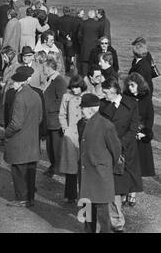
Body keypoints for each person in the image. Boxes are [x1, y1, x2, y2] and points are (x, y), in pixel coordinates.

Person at [100, 78, 143, 233]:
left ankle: (116, 221)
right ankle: (117, 222)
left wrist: (119, 145)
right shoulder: (103, 104)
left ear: (114, 91)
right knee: (113, 189)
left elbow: (133, 129)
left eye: (105, 92)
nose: (103, 95)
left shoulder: (131, 104)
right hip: (108, 152)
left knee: (119, 187)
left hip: (125, 152)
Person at [77, 93, 122, 233]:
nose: (81, 111)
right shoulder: (81, 123)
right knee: (87, 209)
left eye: (82, 108)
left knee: (103, 213)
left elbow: (116, 150)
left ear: (91, 109)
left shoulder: (106, 125)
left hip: (100, 175)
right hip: (86, 174)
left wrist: (105, 167)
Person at [4, 67, 43, 208]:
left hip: (19, 142)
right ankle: (30, 198)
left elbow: (16, 123)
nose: (12, 84)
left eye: (14, 82)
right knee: (31, 172)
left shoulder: (19, 97)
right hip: (32, 141)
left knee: (19, 172)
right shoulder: (36, 94)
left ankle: (21, 198)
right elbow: (39, 118)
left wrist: (6, 133)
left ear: (20, 83)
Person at [123, 72, 155, 206]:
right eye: (129, 85)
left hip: (140, 135)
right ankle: (124, 191)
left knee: (138, 167)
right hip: (128, 134)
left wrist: (144, 133)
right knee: (126, 165)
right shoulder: (125, 96)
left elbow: (149, 118)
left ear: (139, 85)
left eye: (133, 85)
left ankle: (133, 193)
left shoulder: (146, 98)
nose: (130, 88)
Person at [58, 75, 87, 204]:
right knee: (71, 166)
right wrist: (65, 128)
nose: (75, 90)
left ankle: (83, 194)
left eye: (77, 87)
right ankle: (70, 195)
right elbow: (62, 114)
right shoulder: (66, 97)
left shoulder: (87, 96)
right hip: (70, 134)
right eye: (73, 87)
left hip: (83, 134)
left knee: (83, 166)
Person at [42, 57, 68, 177]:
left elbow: (62, 101)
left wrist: (49, 108)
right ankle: (54, 167)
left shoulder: (59, 81)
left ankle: (57, 169)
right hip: (49, 119)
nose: (43, 70)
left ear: (49, 67)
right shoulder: (51, 79)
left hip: (55, 120)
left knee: (56, 147)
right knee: (50, 147)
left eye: (44, 68)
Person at [79, 10, 102, 75]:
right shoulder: (98, 24)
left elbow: (79, 35)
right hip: (94, 46)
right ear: (94, 15)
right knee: (94, 64)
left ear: (88, 15)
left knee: (84, 64)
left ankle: (84, 77)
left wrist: (82, 43)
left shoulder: (83, 23)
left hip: (85, 46)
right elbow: (100, 35)